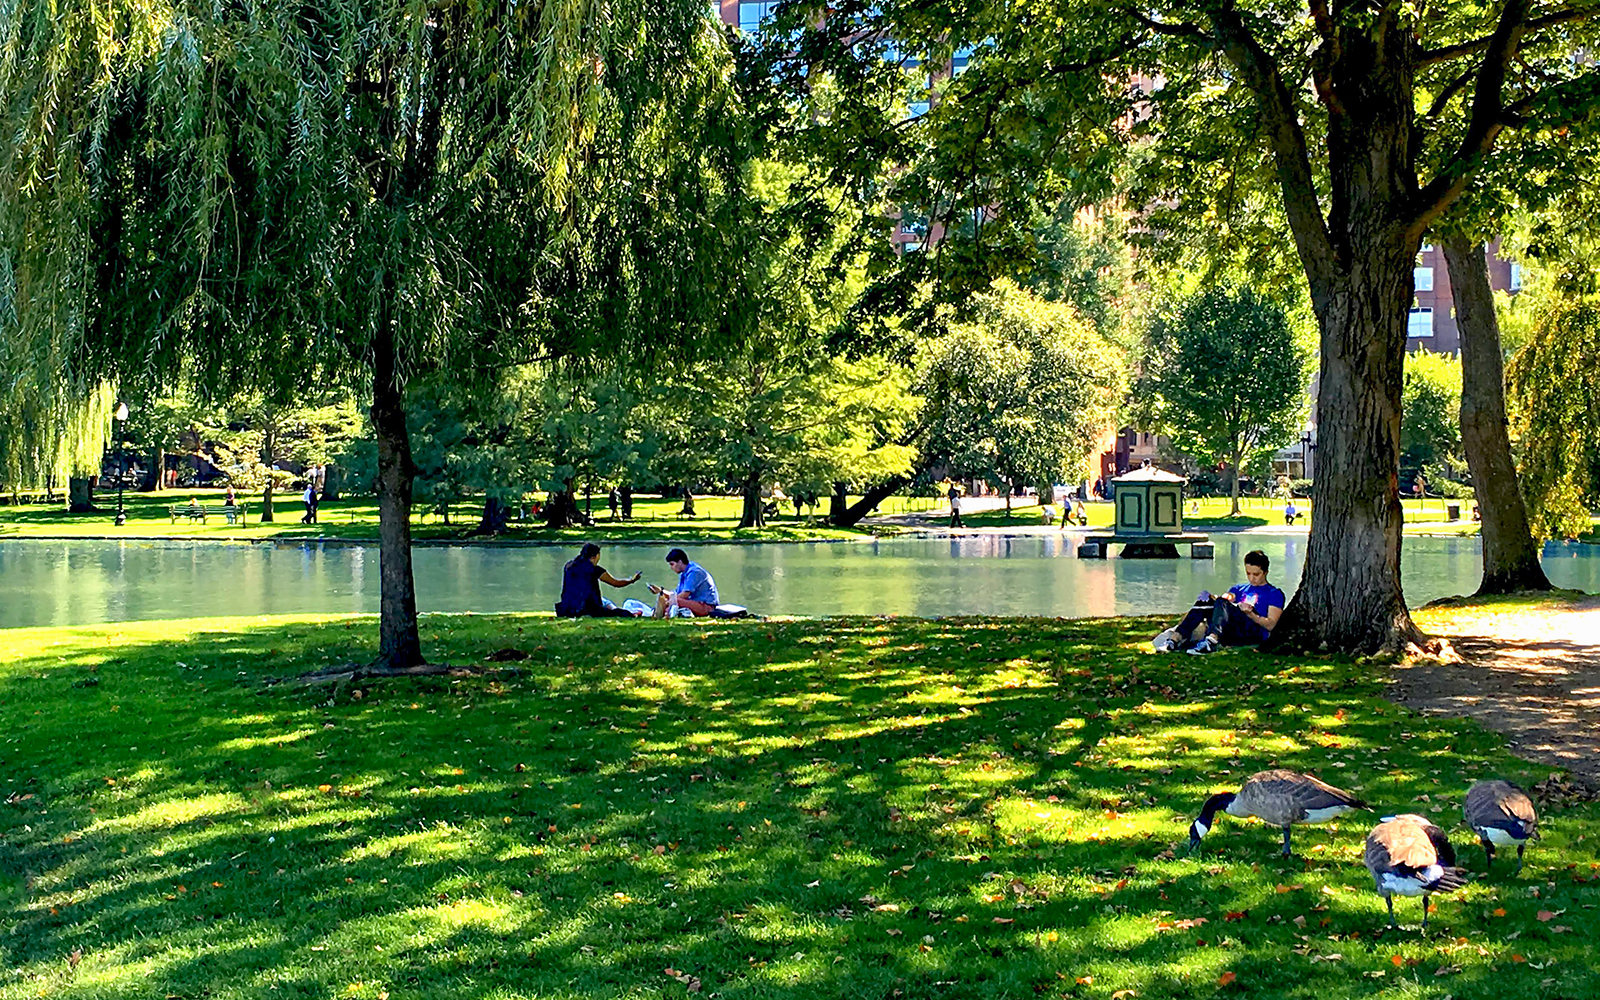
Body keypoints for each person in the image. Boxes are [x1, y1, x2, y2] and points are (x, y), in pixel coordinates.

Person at [1151, 549, 1286, 654]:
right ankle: (1174, 640)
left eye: (1256, 574)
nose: (1252, 578)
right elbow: (1228, 597)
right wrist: (1213, 598)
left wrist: (1251, 614)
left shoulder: (1274, 594)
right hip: (1230, 629)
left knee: (1222, 603)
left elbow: (1271, 625)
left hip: (1251, 632)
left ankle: (1211, 641)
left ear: (1265, 572)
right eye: (1248, 573)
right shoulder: (1240, 588)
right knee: (1205, 602)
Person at [555, 542, 643, 618]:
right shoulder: (594, 570)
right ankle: (632, 614)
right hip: (587, 608)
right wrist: (632, 580)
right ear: (594, 556)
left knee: (604, 601)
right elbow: (615, 583)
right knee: (613, 610)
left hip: (568, 607)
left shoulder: (569, 566)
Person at [649, 547, 719, 618]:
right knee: (666, 598)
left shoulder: (694, 572)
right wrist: (661, 591)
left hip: (706, 606)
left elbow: (685, 595)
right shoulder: (684, 573)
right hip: (696, 603)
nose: (671, 568)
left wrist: (668, 601)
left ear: (679, 562)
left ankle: (659, 615)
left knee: (675, 601)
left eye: (672, 564)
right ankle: (657, 614)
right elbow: (677, 594)